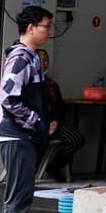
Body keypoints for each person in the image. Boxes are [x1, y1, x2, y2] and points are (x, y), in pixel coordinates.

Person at [0, 6, 56, 213]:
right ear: (31, 28)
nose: (49, 31)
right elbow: (7, 98)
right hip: (15, 135)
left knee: (23, 193)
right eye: (46, 26)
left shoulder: (31, 58)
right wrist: (35, 121)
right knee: (17, 195)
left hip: (23, 135)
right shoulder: (20, 58)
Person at [36, 48, 86, 181]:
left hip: (53, 125)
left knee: (76, 139)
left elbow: (60, 108)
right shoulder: (29, 84)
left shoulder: (52, 85)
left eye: (46, 60)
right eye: (40, 60)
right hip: (35, 126)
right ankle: (30, 174)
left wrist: (55, 122)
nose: (44, 63)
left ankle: (53, 167)